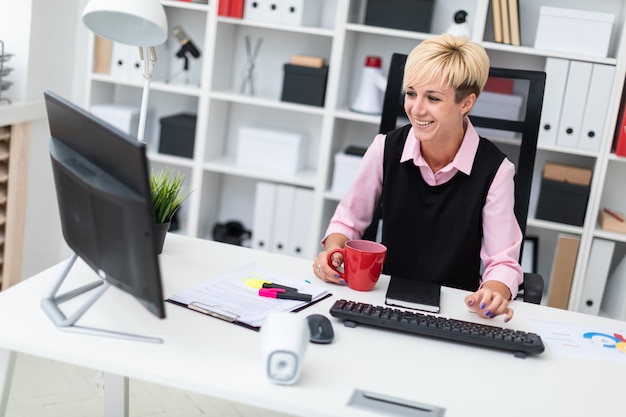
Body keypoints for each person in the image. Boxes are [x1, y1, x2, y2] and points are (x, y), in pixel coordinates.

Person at [313, 34, 523, 322]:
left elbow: (502, 261)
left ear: (466, 103)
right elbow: (347, 221)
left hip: (453, 310)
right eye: (411, 94)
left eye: (433, 98)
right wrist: (334, 250)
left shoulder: (496, 170)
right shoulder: (384, 149)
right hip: (382, 301)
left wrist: (493, 292)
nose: (416, 109)